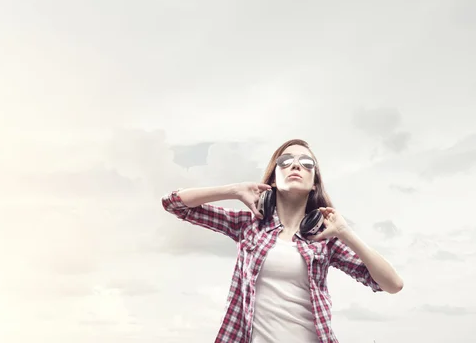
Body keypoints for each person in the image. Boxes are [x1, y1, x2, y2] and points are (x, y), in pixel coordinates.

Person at [161, 139, 403, 343]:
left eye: (306, 163)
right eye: (285, 161)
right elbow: (175, 204)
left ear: (314, 182)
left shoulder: (325, 238)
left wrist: (346, 233)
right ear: (274, 178)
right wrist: (233, 190)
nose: (295, 165)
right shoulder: (249, 224)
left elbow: (392, 284)